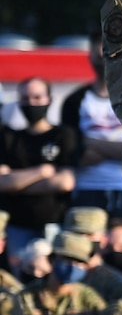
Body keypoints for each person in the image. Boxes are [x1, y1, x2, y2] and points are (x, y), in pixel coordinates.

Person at [0, 78, 83, 254]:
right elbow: (2, 183)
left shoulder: (64, 135)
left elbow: (64, 183)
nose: (31, 103)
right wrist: (41, 171)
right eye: (25, 98)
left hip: (54, 225)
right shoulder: (9, 138)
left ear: (49, 99)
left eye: (37, 97)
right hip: (17, 226)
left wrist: (17, 184)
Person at [61, 42, 122, 220]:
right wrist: (118, 149)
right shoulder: (75, 100)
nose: (104, 61)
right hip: (87, 188)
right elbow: (75, 151)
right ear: (90, 56)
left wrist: (92, 143)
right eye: (99, 56)